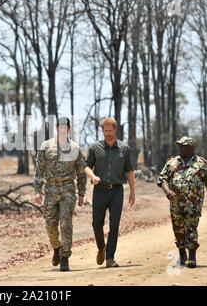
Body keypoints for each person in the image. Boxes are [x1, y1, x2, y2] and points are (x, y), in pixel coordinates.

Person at [34, 116, 87, 271]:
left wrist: (82, 193)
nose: (63, 129)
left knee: (65, 224)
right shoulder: (46, 146)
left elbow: (81, 173)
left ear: (69, 129)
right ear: (56, 128)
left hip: (68, 191)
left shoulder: (75, 148)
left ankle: (65, 257)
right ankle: (56, 248)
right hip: (50, 191)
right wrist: (38, 190)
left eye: (65, 127)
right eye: (60, 127)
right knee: (50, 225)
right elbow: (39, 169)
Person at [157, 136, 207, 268]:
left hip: (193, 205)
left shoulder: (201, 164)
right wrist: (167, 192)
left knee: (191, 228)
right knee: (178, 230)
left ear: (191, 148)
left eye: (183, 146)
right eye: (179, 146)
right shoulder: (172, 163)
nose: (180, 148)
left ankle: (192, 257)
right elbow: (162, 179)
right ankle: (182, 253)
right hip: (175, 204)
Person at [84, 117, 136, 268]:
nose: (108, 133)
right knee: (96, 224)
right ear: (102, 131)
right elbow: (86, 166)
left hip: (117, 191)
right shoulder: (95, 147)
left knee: (114, 225)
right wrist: (92, 176)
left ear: (115, 130)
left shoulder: (124, 148)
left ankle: (110, 258)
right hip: (99, 190)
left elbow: (130, 170)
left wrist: (132, 192)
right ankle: (101, 247)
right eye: (105, 131)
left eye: (110, 130)